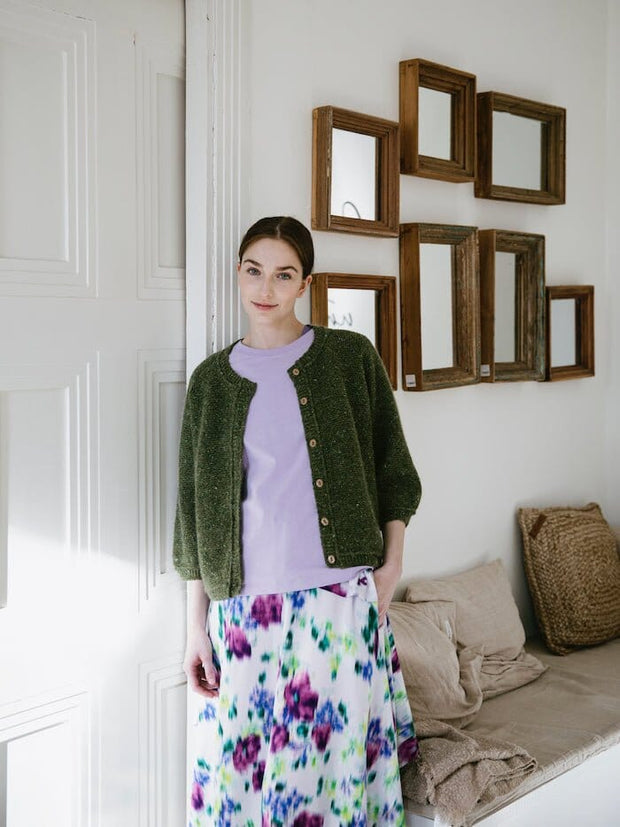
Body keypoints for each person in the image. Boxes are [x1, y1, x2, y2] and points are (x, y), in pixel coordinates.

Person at [174, 216, 422, 826]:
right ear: (238, 273)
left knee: (330, 787)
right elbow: (192, 513)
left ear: (305, 284)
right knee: (243, 786)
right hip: (242, 612)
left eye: (284, 275)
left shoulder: (349, 358)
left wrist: (391, 564)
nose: (266, 288)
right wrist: (195, 627)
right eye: (254, 271)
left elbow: (394, 470)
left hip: (335, 602)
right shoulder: (210, 383)